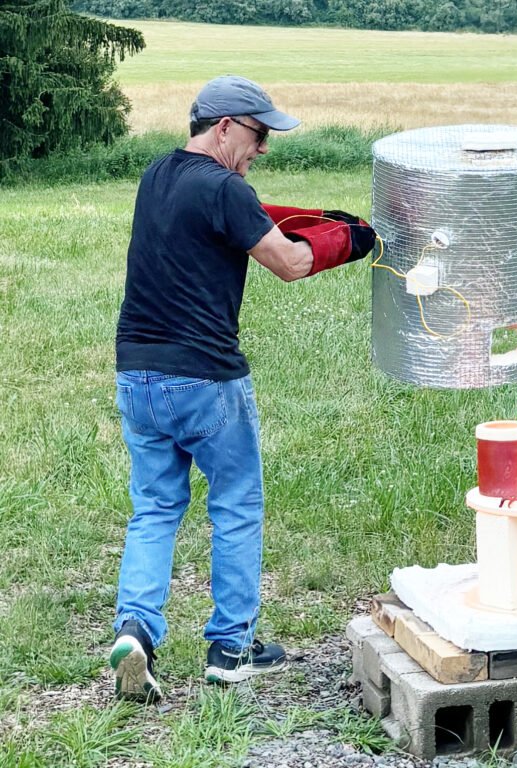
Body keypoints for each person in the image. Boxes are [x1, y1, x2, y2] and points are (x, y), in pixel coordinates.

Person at [109, 75, 377, 702]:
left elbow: (239, 216)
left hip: (136, 374)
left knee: (153, 508)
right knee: (234, 503)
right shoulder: (225, 188)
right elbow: (289, 262)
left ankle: (135, 632)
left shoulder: (158, 174)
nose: (262, 148)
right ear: (225, 126)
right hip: (204, 378)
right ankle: (232, 647)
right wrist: (350, 239)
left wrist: (308, 215)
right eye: (259, 135)